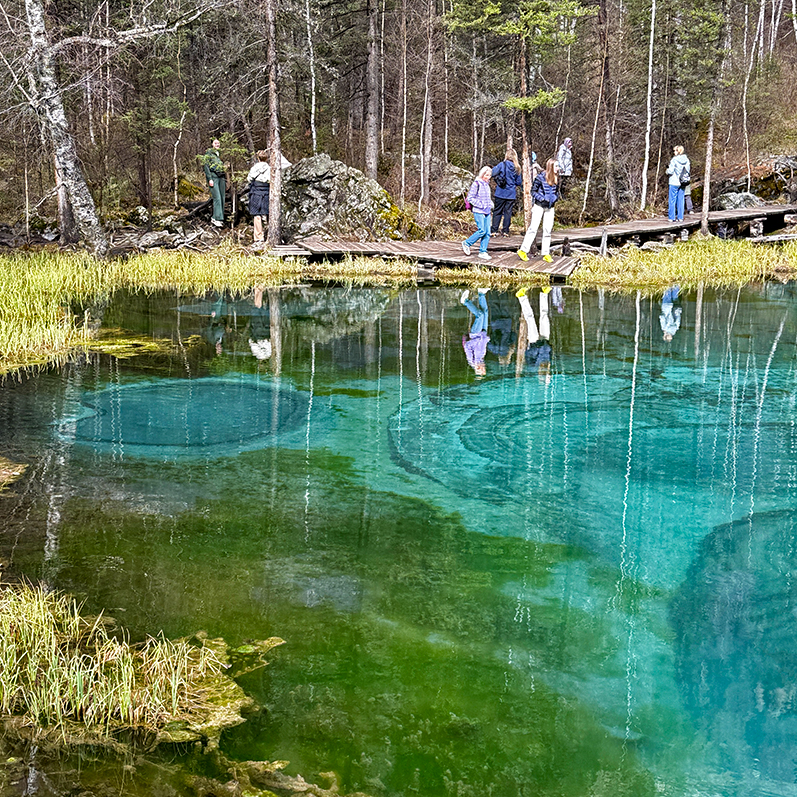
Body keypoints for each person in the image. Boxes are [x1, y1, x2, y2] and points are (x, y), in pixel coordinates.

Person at [517, 159, 560, 263]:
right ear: (551, 167)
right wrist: (542, 199)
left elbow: (557, 192)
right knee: (533, 228)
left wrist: (555, 198)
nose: (558, 169)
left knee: (548, 230)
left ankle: (546, 253)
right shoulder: (540, 177)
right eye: (556, 166)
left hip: (550, 207)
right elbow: (533, 191)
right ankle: (523, 250)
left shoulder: (557, 178)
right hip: (539, 206)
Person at [462, 166, 494, 261]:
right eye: (486, 175)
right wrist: (481, 205)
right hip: (479, 211)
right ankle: (467, 243)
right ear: (482, 174)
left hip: (487, 211)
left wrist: (490, 204)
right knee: (482, 230)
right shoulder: (476, 184)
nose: (488, 177)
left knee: (487, 232)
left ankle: (483, 251)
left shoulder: (487, 185)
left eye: (489, 175)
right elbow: (470, 198)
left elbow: (488, 198)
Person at [490, 148, 524, 236]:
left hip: (500, 192)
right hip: (511, 194)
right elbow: (519, 182)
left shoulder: (502, 165)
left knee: (497, 211)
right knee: (507, 213)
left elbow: (492, 173)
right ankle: (505, 231)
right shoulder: (517, 168)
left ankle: (494, 230)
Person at [460, 288, 490, 376]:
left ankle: (465, 301)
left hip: (476, 334)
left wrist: (479, 340)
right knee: (485, 312)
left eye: (483, 368)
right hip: (483, 333)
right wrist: (486, 340)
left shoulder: (472, 360)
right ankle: (481, 293)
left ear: (478, 368)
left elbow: (467, 346)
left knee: (480, 315)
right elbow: (482, 346)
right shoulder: (481, 358)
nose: (484, 366)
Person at [247, 150, 271, 245]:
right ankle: (270, 234)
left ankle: (258, 237)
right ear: (267, 158)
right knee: (269, 213)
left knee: (256, 214)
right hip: (267, 191)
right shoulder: (270, 168)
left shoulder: (254, 168)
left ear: (258, 158)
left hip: (256, 191)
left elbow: (249, 179)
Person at [202, 139, 226, 228]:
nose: (217, 144)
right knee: (217, 198)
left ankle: (221, 217)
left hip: (221, 178)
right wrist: (210, 179)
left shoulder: (220, 154)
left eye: (218, 143)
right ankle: (216, 218)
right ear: (212, 144)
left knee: (222, 197)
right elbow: (206, 167)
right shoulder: (208, 154)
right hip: (214, 177)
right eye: (215, 143)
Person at [666, 145, 690, 222]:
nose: (674, 152)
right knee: (681, 199)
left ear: (678, 151)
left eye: (675, 151)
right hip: (683, 182)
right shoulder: (686, 160)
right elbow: (688, 171)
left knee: (672, 200)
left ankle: (672, 217)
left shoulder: (674, 160)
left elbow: (670, 171)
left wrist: (667, 171)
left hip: (674, 182)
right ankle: (680, 217)